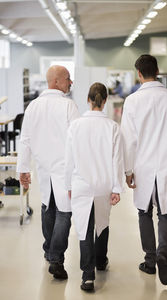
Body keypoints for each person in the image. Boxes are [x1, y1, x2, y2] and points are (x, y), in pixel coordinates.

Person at [121, 54, 167, 285]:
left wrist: (128, 170)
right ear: (157, 70)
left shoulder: (132, 101)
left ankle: (150, 261)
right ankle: (163, 255)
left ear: (139, 73)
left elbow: (128, 140)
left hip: (143, 165)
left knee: (144, 212)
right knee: (166, 213)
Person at [16, 65, 80, 280]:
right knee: (64, 212)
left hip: (43, 168)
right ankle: (56, 258)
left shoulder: (33, 106)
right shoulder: (69, 106)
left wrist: (23, 169)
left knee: (48, 207)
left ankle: (48, 250)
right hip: (64, 169)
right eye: (67, 79)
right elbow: (77, 141)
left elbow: (24, 140)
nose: (70, 82)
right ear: (56, 81)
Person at [65, 82, 124, 291]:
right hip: (103, 184)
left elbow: (69, 159)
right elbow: (117, 160)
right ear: (105, 101)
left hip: (81, 183)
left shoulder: (75, 125)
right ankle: (101, 260)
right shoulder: (113, 127)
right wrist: (117, 188)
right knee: (102, 222)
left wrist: (68, 184)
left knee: (84, 228)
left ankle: (87, 276)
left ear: (88, 100)